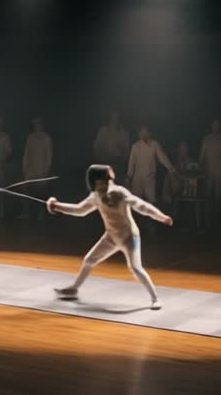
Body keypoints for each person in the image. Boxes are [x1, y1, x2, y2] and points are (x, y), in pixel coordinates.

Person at [47, 165, 172, 310]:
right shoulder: (96, 196)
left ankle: (155, 299)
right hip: (111, 237)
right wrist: (57, 206)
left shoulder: (120, 193)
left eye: (105, 182)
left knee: (136, 268)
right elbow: (80, 210)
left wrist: (161, 217)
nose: (103, 185)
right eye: (99, 183)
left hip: (129, 237)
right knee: (89, 260)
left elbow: (141, 206)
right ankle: (74, 289)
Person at [126, 125, 175, 206]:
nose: (142, 133)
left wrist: (171, 168)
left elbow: (162, 157)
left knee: (151, 203)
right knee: (136, 203)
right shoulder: (135, 146)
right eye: (141, 132)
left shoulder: (154, 144)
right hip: (137, 178)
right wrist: (129, 176)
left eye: (144, 131)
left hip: (150, 178)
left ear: (149, 133)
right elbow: (131, 162)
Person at [199, 120, 221, 229]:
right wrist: (199, 167)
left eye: (217, 125)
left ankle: (216, 223)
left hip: (220, 173)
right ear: (211, 127)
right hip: (208, 173)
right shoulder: (207, 138)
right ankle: (207, 223)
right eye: (213, 125)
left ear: (219, 127)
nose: (215, 127)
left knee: (217, 198)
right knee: (208, 197)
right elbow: (202, 155)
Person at [20, 118, 53, 220]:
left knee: (40, 191)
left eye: (38, 124)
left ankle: (41, 213)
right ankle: (26, 212)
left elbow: (49, 155)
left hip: (41, 168)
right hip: (31, 168)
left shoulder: (46, 138)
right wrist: (25, 167)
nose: (36, 126)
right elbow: (26, 153)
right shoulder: (31, 137)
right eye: (35, 124)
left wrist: (46, 169)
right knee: (26, 190)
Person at [93, 111, 130, 180]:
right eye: (113, 117)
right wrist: (99, 157)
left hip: (117, 162)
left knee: (116, 182)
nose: (115, 120)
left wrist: (122, 154)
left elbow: (126, 150)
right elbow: (96, 145)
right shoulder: (103, 130)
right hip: (105, 160)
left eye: (117, 118)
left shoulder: (123, 133)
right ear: (110, 118)